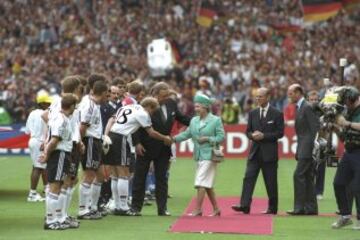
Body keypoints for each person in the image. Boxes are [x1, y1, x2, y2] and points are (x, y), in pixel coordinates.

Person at [130, 82, 190, 216]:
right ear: (154, 94)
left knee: (162, 179)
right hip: (145, 147)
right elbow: (134, 125)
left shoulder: (171, 104)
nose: (166, 98)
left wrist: (200, 121)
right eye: (163, 96)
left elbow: (182, 118)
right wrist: (137, 143)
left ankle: (162, 209)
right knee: (140, 177)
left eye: (167, 95)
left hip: (164, 148)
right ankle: (135, 208)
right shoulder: (144, 105)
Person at [104, 97, 172, 215]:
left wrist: (106, 135)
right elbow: (151, 133)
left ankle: (117, 204)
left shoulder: (126, 107)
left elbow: (112, 120)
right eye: (153, 110)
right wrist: (165, 138)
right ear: (149, 107)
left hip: (111, 135)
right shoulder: (143, 114)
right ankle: (124, 207)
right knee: (123, 174)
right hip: (121, 138)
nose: (152, 114)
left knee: (114, 174)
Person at [232, 88, 284, 215]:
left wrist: (264, 136)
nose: (258, 99)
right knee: (248, 178)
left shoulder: (277, 113)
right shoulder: (253, 113)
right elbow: (247, 131)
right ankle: (244, 205)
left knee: (271, 182)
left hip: (269, 154)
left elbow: (280, 133)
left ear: (268, 97)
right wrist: (252, 135)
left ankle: (273, 208)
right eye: (256, 96)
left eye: (260, 96)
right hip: (254, 152)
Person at [172, 93, 224, 216]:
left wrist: (207, 139)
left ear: (206, 107)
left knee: (200, 181)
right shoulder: (194, 120)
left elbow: (221, 136)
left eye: (198, 107)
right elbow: (187, 134)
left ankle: (198, 209)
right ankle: (216, 209)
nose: (196, 109)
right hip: (199, 155)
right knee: (207, 184)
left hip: (211, 155)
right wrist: (173, 139)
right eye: (195, 107)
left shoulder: (216, 120)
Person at [39, 94, 78, 230]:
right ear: (72, 106)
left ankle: (55, 219)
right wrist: (46, 154)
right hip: (60, 154)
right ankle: (51, 221)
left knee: (57, 186)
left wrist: (45, 151)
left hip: (61, 154)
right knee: (55, 188)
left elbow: (49, 137)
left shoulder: (57, 117)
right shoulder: (62, 120)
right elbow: (54, 140)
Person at [286, 84, 320, 215]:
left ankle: (299, 208)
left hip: (307, 149)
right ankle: (311, 208)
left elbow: (315, 127)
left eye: (291, 93)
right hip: (303, 148)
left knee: (298, 175)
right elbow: (303, 132)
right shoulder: (301, 107)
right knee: (307, 177)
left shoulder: (306, 107)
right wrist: (299, 150)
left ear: (298, 93)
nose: (289, 96)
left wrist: (311, 149)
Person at [78, 79, 109, 220]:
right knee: (89, 175)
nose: (107, 98)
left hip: (96, 141)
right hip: (90, 141)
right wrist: (80, 143)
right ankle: (83, 210)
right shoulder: (90, 106)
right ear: (102, 93)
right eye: (106, 95)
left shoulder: (92, 103)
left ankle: (93, 207)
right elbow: (82, 127)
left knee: (100, 175)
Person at [332, 86, 360, 230]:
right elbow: (345, 137)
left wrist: (346, 123)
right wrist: (336, 128)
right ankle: (345, 216)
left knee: (357, 187)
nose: (345, 104)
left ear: (352, 99)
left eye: (346, 101)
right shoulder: (348, 112)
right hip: (349, 152)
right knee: (338, 183)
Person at [25, 93, 52, 202]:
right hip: (40, 142)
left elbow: (27, 130)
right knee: (38, 167)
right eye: (47, 102)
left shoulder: (32, 113)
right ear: (42, 103)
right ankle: (32, 194)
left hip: (34, 140)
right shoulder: (46, 113)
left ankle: (46, 189)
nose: (49, 104)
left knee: (42, 166)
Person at [307, 90, 327, 200]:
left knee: (321, 167)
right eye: (312, 99)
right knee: (308, 166)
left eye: (316, 100)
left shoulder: (322, 112)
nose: (314, 101)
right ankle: (309, 190)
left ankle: (319, 191)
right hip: (308, 142)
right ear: (308, 100)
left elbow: (327, 126)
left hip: (321, 141)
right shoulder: (304, 110)